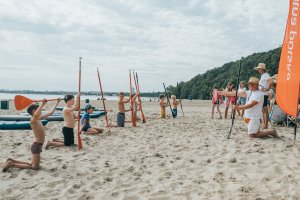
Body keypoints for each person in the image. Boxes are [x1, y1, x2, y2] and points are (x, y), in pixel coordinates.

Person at [2, 98, 61, 172]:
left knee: (31, 164)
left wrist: (57, 102)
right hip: (36, 146)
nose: (41, 112)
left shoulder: (39, 119)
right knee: (35, 167)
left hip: (37, 145)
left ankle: (11, 160)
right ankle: (11, 164)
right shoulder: (33, 120)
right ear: (34, 111)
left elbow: (50, 113)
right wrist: (42, 104)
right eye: (39, 110)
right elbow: (36, 115)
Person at [254, 63, 273, 129]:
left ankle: (265, 125)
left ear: (261, 69)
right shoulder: (263, 75)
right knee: (263, 110)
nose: (258, 70)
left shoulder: (265, 75)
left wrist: (267, 89)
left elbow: (271, 81)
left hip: (263, 95)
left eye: (258, 69)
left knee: (264, 110)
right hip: (262, 94)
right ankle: (265, 124)